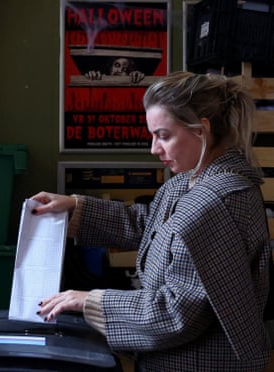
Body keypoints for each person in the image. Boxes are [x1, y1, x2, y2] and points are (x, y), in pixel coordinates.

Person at [31, 71, 272, 371]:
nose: (154, 149)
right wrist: (74, 210)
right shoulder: (187, 182)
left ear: (201, 130)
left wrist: (89, 301)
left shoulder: (217, 202)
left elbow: (176, 313)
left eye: (163, 135)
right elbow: (151, 226)